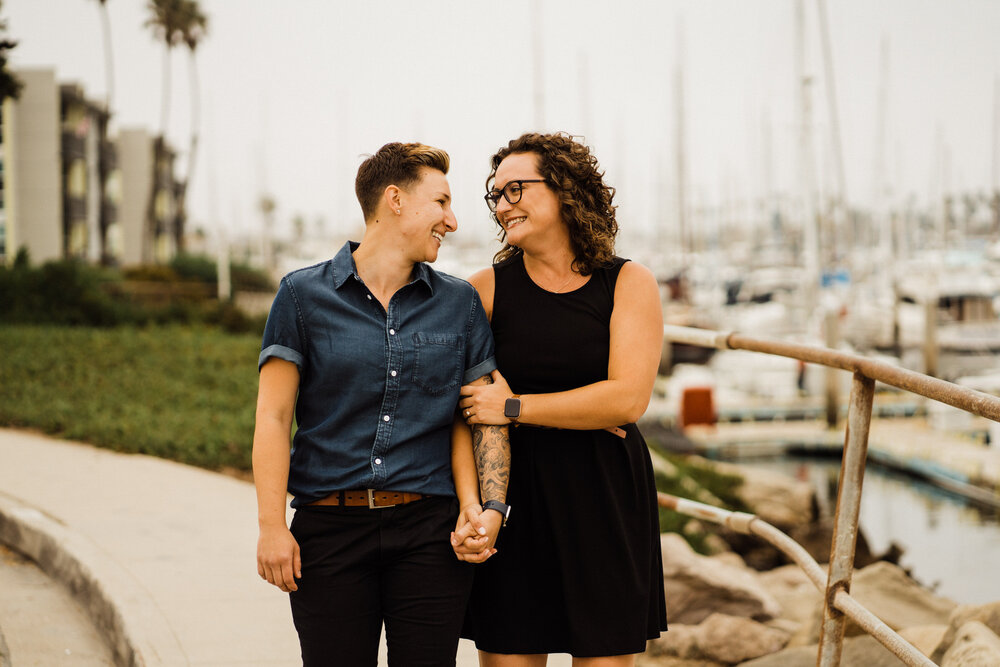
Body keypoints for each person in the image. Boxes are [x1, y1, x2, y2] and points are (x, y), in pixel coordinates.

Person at [252, 141, 510, 666]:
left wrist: (484, 508)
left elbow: (479, 416)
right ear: (395, 199)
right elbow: (274, 418)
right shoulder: (301, 296)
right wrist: (272, 526)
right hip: (330, 533)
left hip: (429, 535)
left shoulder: (459, 304)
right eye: (440, 202)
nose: (453, 220)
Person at [458, 132, 668, 665]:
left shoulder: (628, 282)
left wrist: (515, 407)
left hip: (606, 496)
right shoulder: (484, 289)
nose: (503, 207)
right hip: (514, 498)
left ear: (565, 190)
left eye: (516, 190)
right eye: (496, 195)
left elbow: (626, 401)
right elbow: (464, 406)